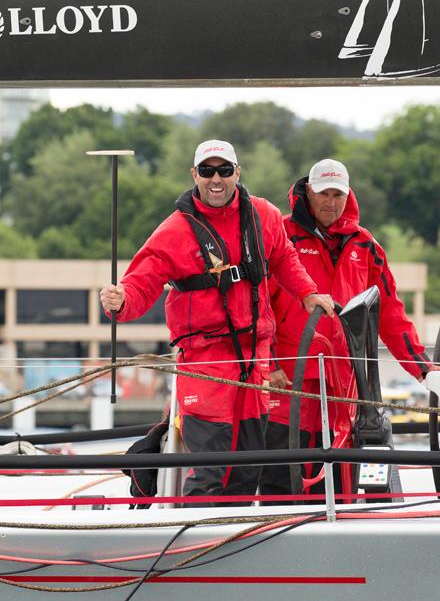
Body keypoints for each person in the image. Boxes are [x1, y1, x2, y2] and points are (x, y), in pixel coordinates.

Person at [100, 140, 334, 506]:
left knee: (246, 467)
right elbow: (140, 284)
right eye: (207, 171)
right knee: (210, 470)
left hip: (253, 363)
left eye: (224, 170)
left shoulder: (264, 216)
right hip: (206, 364)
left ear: (237, 173)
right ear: (194, 175)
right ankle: (191, 546)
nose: (216, 179)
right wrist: (121, 301)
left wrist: (308, 293)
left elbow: (284, 258)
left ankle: (229, 546)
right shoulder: (174, 232)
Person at [259, 158, 440, 499]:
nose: (331, 202)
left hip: (345, 389)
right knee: (282, 485)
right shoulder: (279, 237)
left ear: (348, 195)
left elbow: (390, 315)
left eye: (337, 194)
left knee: (343, 488)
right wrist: (269, 366)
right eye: (324, 193)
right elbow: (257, 307)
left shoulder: (366, 246)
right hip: (287, 384)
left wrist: (423, 370)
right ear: (308, 192)